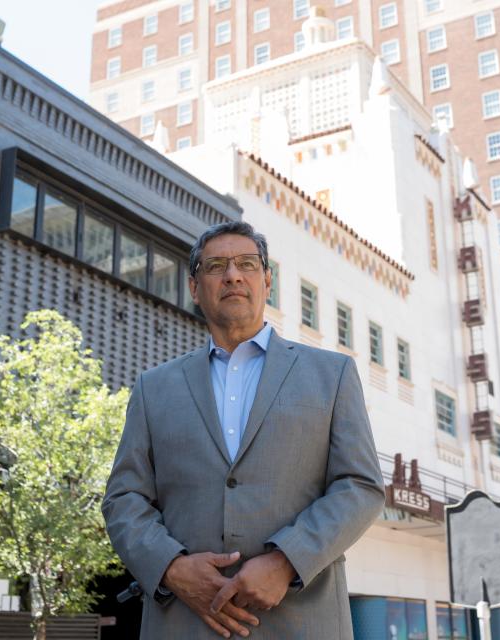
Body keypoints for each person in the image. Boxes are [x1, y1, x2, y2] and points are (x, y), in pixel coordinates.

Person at [102, 221, 385, 639]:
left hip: (301, 622)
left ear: (266, 280)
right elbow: (124, 498)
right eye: (215, 266)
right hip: (184, 622)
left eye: (247, 264)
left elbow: (360, 486)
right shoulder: (154, 388)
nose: (232, 274)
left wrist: (287, 560)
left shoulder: (333, 374)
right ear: (195, 288)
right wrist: (172, 567)